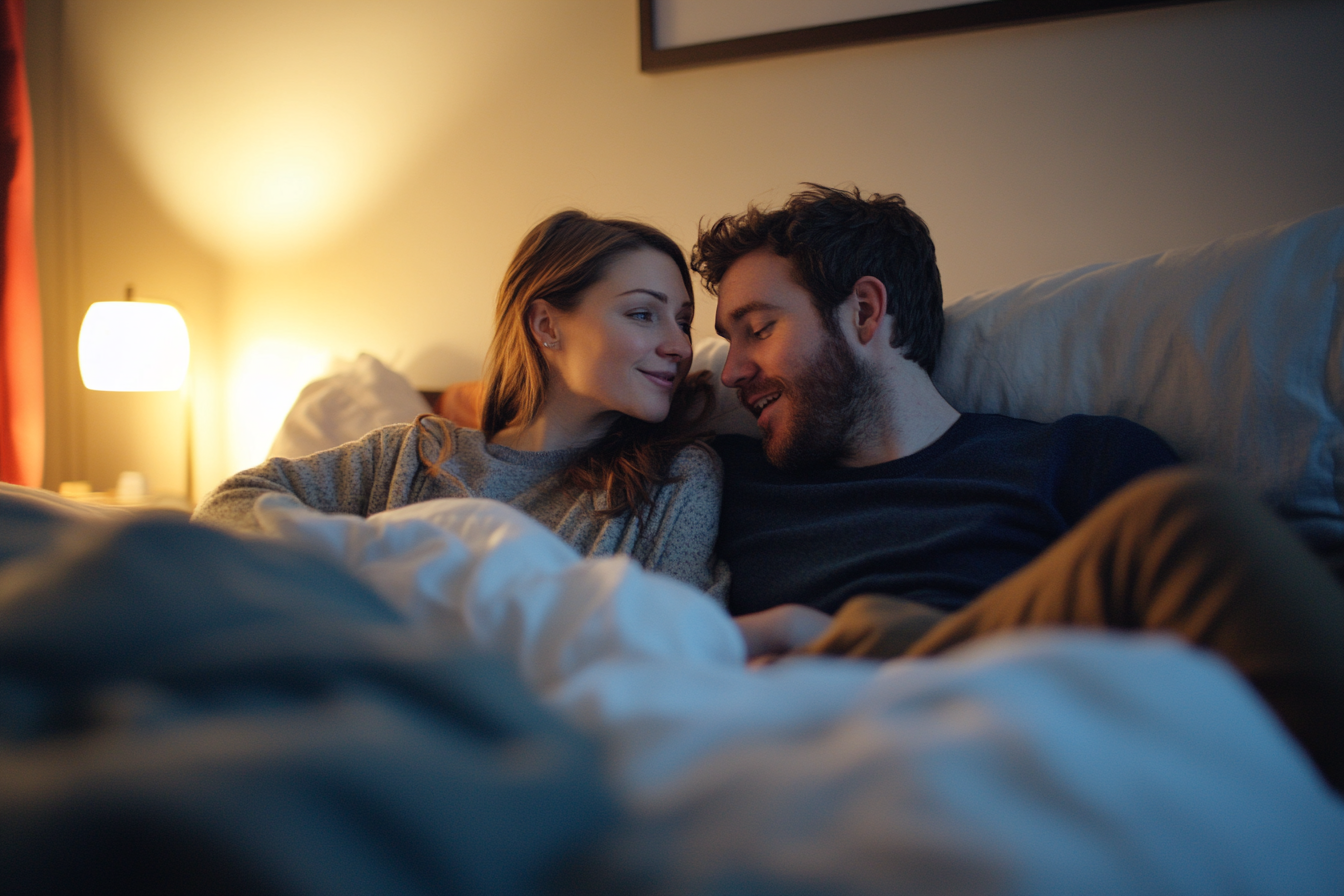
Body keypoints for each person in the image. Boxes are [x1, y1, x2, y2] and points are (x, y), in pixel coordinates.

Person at [692, 184, 1343, 791]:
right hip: (822, 764)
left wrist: (841, 639)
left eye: (760, 329)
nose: (733, 371)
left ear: (864, 311)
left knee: (1188, 521)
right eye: (729, 341)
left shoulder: (1078, 460)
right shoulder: (718, 482)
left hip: (1043, 749)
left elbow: (1190, 684)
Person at [194, 210, 730, 603]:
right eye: (643, 314)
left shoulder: (674, 481)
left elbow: (680, 640)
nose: (679, 345)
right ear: (546, 325)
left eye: (682, 321)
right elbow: (229, 505)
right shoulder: (408, 455)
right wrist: (363, 567)